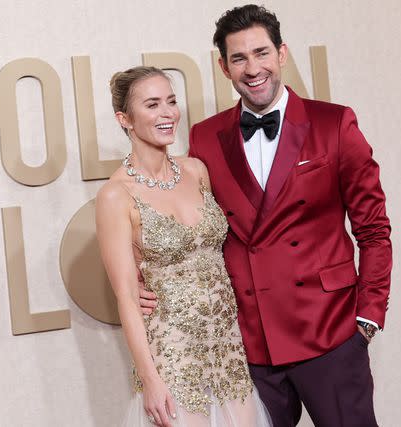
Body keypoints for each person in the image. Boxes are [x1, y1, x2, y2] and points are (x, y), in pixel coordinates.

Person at [139, 5, 392, 427]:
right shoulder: (206, 136)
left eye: (261, 53)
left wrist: (367, 316)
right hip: (250, 342)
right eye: (239, 58)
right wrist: (143, 279)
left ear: (281, 54)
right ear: (223, 67)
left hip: (329, 332)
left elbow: (373, 229)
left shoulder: (334, 123)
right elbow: (191, 223)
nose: (252, 68)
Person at [95, 66, 271, 427]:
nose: (168, 113)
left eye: (172, 102)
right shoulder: (116, 195)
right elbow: (127, 297)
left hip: (227, 350)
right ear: (124, 119)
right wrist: (150, 379)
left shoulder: (196, 170)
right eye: (153, 104)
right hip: (173, 356)